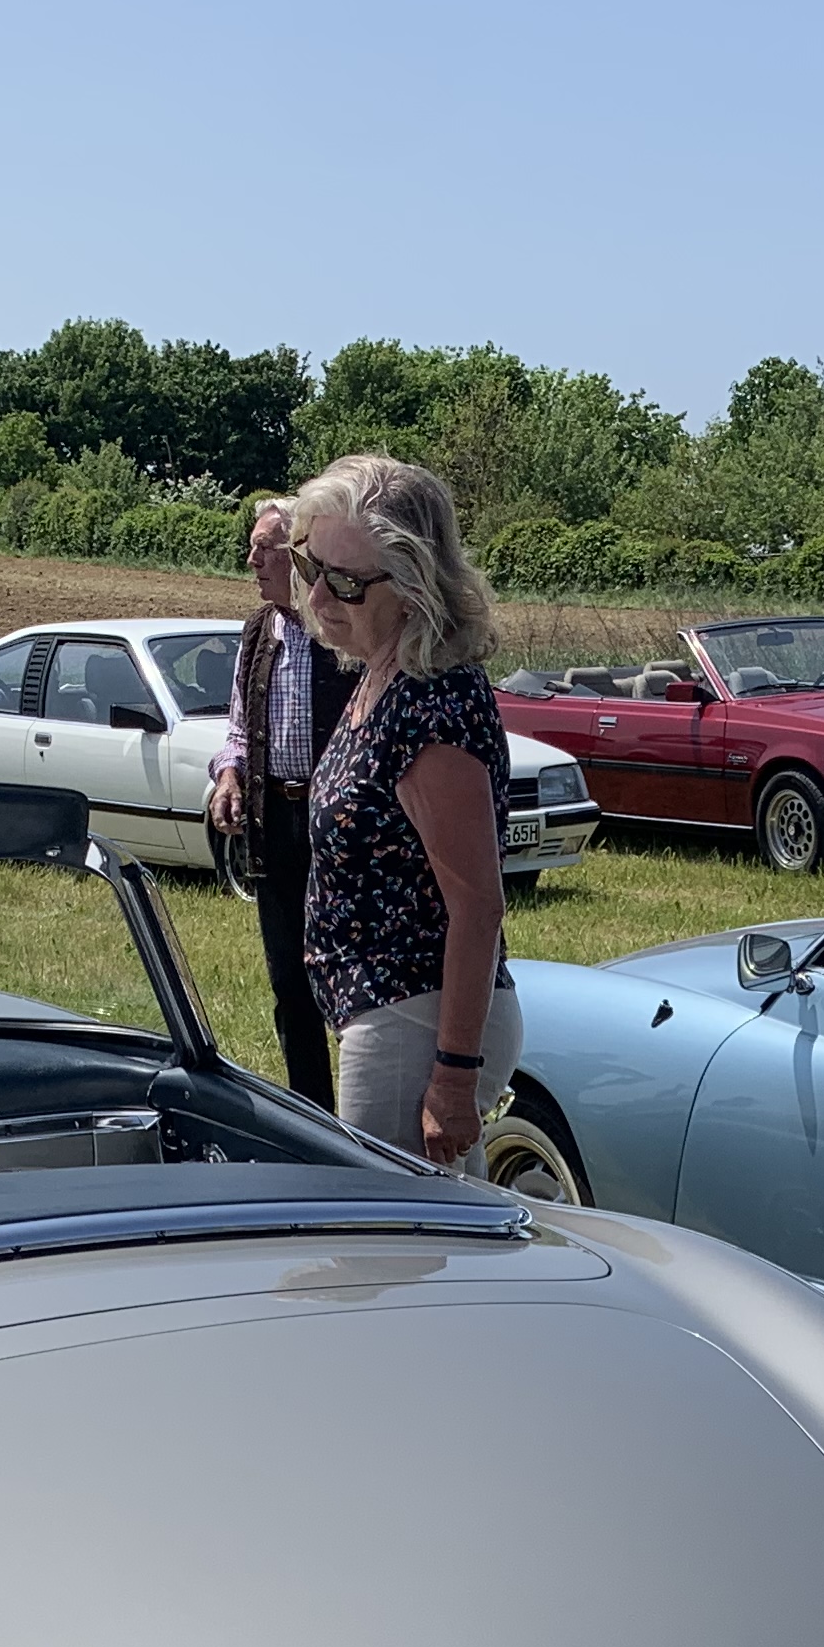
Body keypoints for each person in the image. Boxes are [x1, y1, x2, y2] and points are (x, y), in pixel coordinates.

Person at [286, 455, 519, 1163]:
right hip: (392, 1011)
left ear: (415, 586)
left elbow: (478, 904)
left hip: (416, 1017)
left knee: (387, 1225)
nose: (318, 594)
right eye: (311, 566)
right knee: (433, 1220)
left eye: (347, 581)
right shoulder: (383, 676)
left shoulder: (431, 702)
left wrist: (454, 1076)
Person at [204, 497, 358, 1110]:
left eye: (265, 548)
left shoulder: (343, 629)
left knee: (346, 973)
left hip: (337, 827)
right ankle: (313, 1115)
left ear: (299, 556)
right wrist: (229, 775)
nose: (252, 561)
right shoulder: (257, 631)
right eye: (252, 547)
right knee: (289, 982)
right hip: (274, 826)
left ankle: (363, 1112)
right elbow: (239, 728)